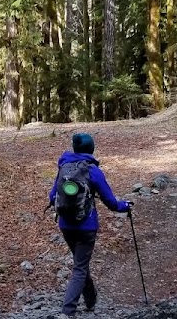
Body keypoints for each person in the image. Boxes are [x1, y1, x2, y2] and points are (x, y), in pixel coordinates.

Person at [47, 133, 131, 318]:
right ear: (91, 149)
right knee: (80, 266)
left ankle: (91, 299)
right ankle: (67, 311)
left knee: (80, 263)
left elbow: (52, 196)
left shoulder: (64, 167)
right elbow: (110, 201)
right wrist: (124, 206)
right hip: (86, 226)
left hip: (65, 225)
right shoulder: (92, 170)